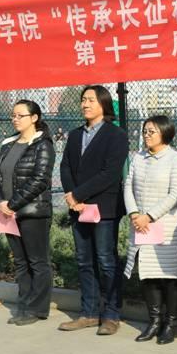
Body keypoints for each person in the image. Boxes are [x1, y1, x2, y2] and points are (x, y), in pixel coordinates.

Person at [58, 85, 129, 336]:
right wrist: (72, 196)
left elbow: (110, 173)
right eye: (83, 100)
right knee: (84, 261)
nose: (85, 104)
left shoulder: (116, 135)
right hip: (78, 208)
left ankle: (111, 315)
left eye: (90, 100)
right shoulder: (75, 135)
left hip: (104, 208)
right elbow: (65, 166)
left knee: (106, 261)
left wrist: (78, 194)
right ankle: (88, 313)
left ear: (103, 104)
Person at [123, 116, 177, 344]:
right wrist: (134, 213)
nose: (146, 135)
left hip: (165, 227)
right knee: (147, 275)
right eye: (145, 131)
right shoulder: (138, 157)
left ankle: (171, 324)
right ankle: (153, 321)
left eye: (151, 131)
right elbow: (128, 186)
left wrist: (149, 216)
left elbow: (175, 195)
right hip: (140, 226)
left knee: (169, 276)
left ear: (165, 133)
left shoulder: (176, 159)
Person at [0, 100, 56, 326]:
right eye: (13, 115)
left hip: (32, 213)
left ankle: (37, 309)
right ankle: (24, 305)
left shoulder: (43, 145)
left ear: (34, 118)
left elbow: (40, 179)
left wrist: (13, 204)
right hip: (8, 214)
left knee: (38, 262)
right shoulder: (8, 144)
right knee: (20, 262)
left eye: (20, 115)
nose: (15, 119)